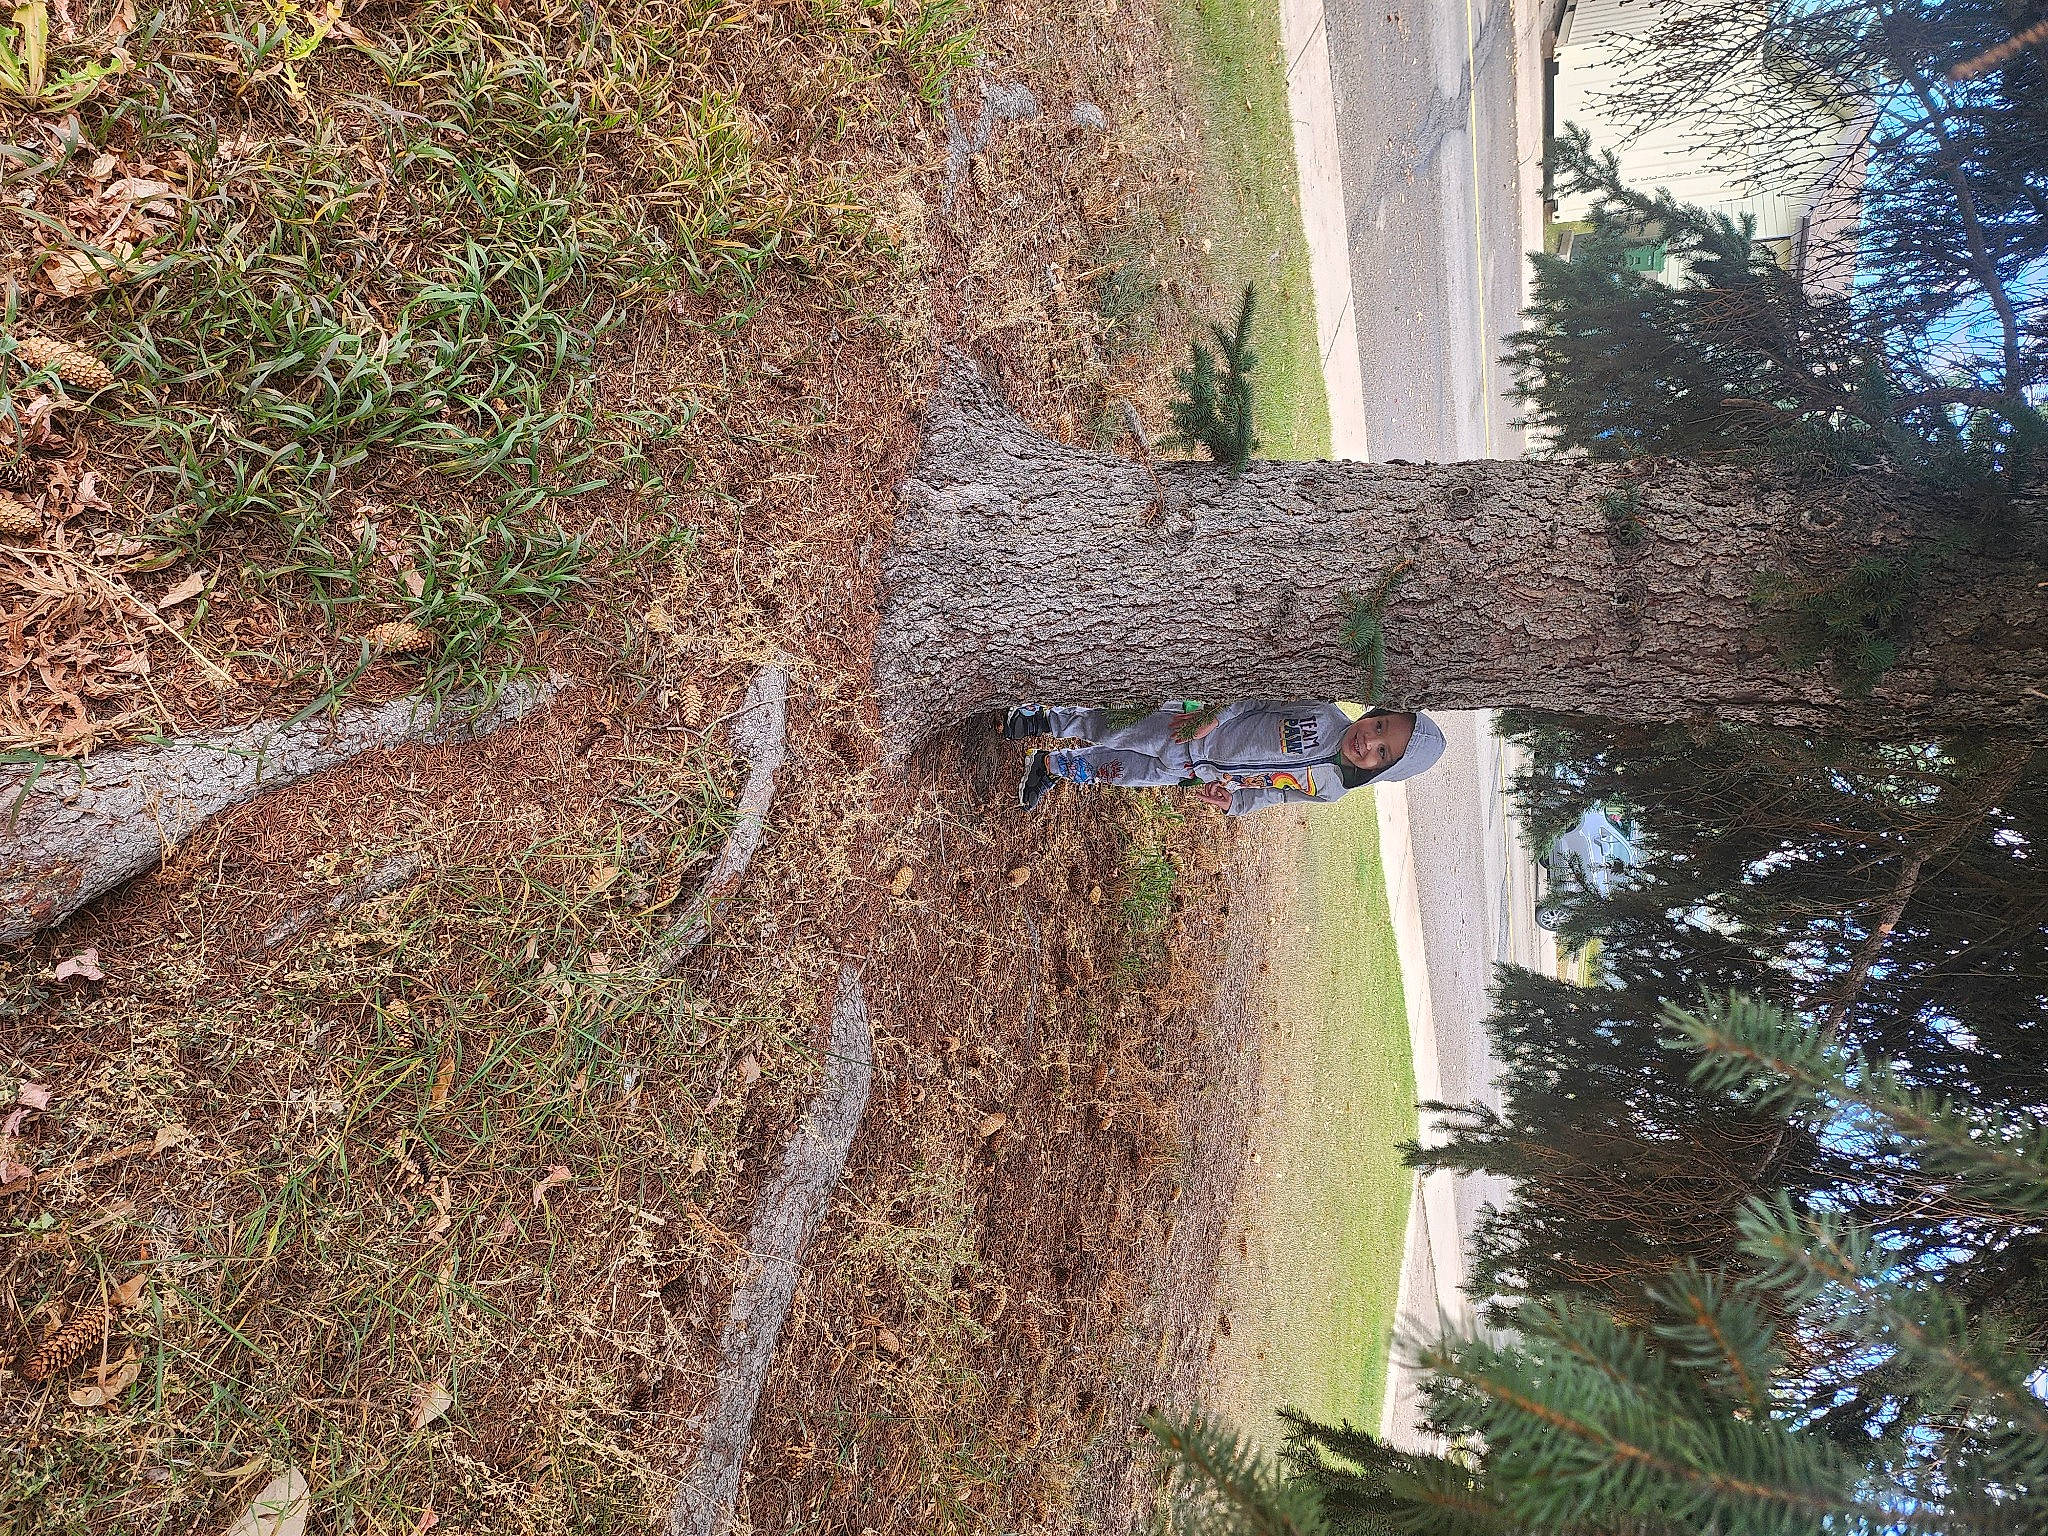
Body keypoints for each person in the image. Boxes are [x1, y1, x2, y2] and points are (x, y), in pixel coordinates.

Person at [1005, 700, 1446, 814]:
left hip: (1195, 774)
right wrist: (1213, 716)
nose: (1369, 741)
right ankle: (1043, 718)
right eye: (1380, 726)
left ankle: (1051, 766)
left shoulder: (1329, 790)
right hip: (1192, 731)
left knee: (1120, 771)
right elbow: (1255, 697)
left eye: (1382, 752)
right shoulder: (1320, 709)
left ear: (1382, 771)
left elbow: (1279, 797)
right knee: (1115, 727)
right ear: (1374, 714)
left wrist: (1234, 802)